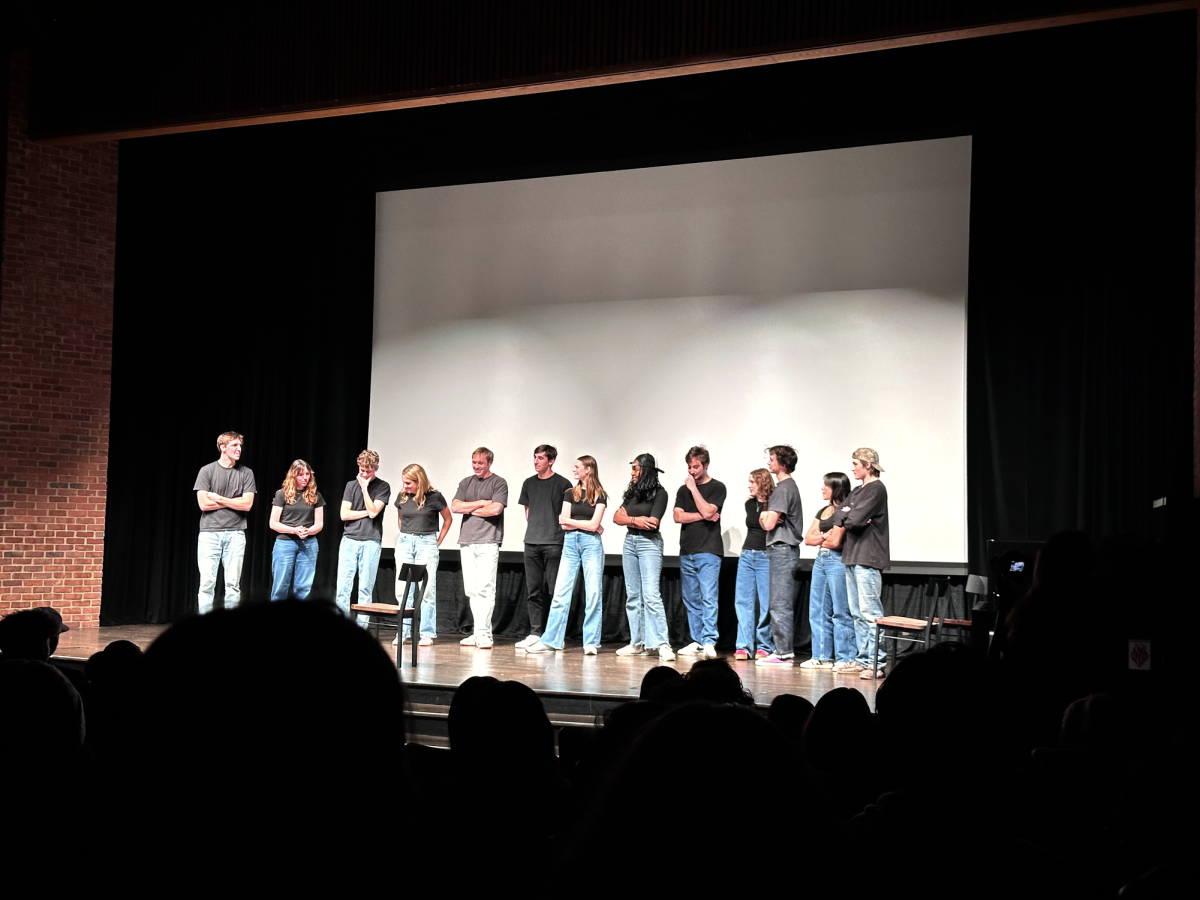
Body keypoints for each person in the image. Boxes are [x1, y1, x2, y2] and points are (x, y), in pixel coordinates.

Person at [525, 456, 607, 654]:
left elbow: (595, 525)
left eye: (577, 467)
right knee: (561, 593)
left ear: (588, 469)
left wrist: (581, 524)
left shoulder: (600, 495)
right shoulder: (571, 492)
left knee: (593, 592)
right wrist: (587, 525)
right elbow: (563, 521)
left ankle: (591, 642)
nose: (574, 470)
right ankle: (552, 640)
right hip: (570, 542)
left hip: (591, 545)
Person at [830, 448, 890, 679]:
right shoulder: (857, 491)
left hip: (868, 556)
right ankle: (863, 659)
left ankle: (876, 663)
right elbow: (839, 515)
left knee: (869, 612)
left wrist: (850, 515)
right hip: (852, 555)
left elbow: (852, 519)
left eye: (856, 463)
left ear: (868, 465)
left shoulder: (876, 489)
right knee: (856, 612)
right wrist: (849, 515)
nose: (852, 467)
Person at [613, 454, 675, 661]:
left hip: (649, 544)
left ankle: (662, 644)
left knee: (650, 595)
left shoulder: (660, 494)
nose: (632, 473)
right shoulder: (632, 493)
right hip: (630, 543)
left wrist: (628, 519)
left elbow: (653, 523)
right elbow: (616, 517)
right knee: (633, 596)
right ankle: (637, 642)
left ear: (645, 470)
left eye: (635, 469)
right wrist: (635, 520)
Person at [516, 444, 574, 649]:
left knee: (555, 591)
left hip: (554, 543)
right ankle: (535, 633)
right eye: (534, 457)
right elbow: (528, 510)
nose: (536, 461)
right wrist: (535, 528)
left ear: (551, 461)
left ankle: (554, 634)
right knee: (534, 590)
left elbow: (567, 513)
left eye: (540, 458)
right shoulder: (528, 483)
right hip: (531, 542)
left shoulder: (563, 484)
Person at [193, 431, 256, 615]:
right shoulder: (207, 471)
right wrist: (233, 501)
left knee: (233, 584)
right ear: (223, 447)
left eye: (240, 446)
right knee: (206, 583)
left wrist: (219, 498)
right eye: (234, 445)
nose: (239, 449)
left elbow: (247, 505)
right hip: (209, 533)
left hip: (236, 533)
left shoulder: (246, 473)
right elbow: (204, 504)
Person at [451, 447, 508, 649]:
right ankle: (477, 633)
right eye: (474, 462)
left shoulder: (498, 483)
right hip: (467, 541)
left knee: (485, 588)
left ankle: (485, 635)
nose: (476, 466)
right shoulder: (466, 482)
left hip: (488, 541)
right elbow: (456, 507)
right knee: (472, 590)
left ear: (489, 462)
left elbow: (495, 509)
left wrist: (470, 507)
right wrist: (480, 503)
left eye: (480, 463)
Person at [673, 445, 726, 659]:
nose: (692, 471)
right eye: (689, 467)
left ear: (705, 465)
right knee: (691, 598)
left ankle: (709, 640)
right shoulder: (681, 490)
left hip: (709, 550)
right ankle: (696, 640)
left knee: (708, 596)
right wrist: (703, 515)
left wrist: (694, 490)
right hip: (687, 549)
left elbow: (708, 509)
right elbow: (678, 517)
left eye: (696, 467)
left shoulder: (717, 487)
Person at [393, 463, 452, 646]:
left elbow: (448, 519)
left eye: (409, 483)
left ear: (419, 481)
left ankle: (426, 633)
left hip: (426, 542)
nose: (405, 487)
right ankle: (403, 632)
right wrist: (405, 535)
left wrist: (437, 541)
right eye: (404, 483)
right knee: (403, 589)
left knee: (426, 590)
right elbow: (401, 518)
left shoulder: (435, 497)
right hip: (405, 542)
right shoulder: (402, 497)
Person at [801, 472, 854, 670]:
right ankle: (822, 656)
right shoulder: (824, 510)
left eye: (826, 486)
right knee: (817, 610)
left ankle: (845, 657)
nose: (822, 489)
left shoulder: (846, 510)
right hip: (821, 560)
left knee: (840, 611)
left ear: (837, 488)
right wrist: (825, 535)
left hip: (837, 561)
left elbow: (836, 541)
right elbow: (808, 538)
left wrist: (822, 537)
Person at [756, 444, 803, 666]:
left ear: (783, 463)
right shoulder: (786, 487)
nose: (769, 462)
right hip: (782, 549)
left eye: (772, 459)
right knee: (778, 602)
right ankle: (782, 650)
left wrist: (765, 515)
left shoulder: (783, 488)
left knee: (779, 603)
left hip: (782, 548)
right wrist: (767, 515)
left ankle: (783, 652)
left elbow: (768, 523)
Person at [335, 450, 390, 627]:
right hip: (350, 539)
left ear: (376, 468)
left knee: (365, 588)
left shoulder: (383, 487)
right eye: (361, 470)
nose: (364, 474)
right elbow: (344, 514)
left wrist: (365, 489)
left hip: (371, 540)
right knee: (343, 586)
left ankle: (361, 628)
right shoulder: (351, 485)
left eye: (368, 471)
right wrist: (367, 512)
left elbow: (374, 512)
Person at [733, 468, 775, 661]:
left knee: (765, 603)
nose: (749, 485)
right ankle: (743, 646)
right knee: (743, 601)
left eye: (753, 481)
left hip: (765, 555)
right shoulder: (749, 504)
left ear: (762, 483)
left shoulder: (774, 503)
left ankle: (765, 646)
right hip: (747, 554)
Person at [268, 459, 325, 601]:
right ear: (293, 476)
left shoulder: (315, 495)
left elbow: (319, 524)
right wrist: (294, 530)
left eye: (307, 474)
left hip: (308, 543)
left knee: (303, 588)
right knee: (280, 586)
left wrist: (308, 531)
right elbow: (273, 523)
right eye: (301, 474)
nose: (305, 478)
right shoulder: (282, 494)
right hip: (285, 543)